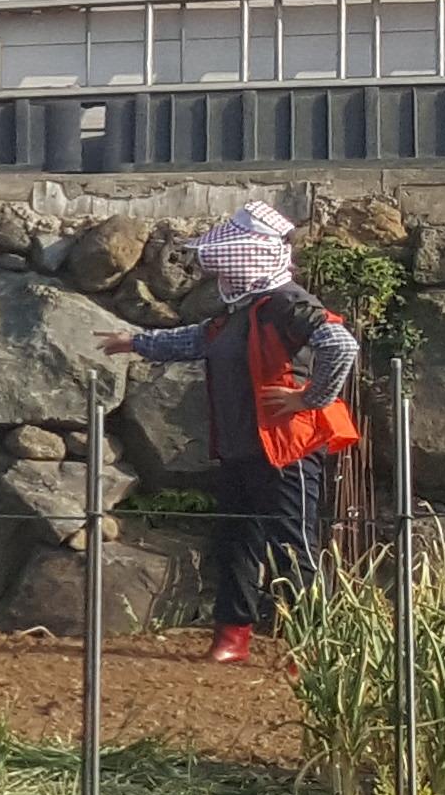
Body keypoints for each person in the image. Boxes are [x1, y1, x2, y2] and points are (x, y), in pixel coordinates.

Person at [101, 198, 364, 664]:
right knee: (236, 543)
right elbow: (196, 340)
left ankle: (318, 646)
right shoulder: (242, 310)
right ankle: (231, 637)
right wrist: (136, 342)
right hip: (244, 448)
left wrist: (311, 398)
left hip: (287, 450)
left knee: (293, 546)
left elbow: (340, 344)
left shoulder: (286, 303)